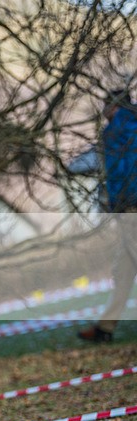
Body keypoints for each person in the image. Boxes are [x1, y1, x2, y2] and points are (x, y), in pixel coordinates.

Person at [78, 88, 137, 342]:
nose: (103, 111)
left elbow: (113, 172)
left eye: (106, 106)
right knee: (123, 268)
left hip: (130, 207)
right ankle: (105, 328)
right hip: (129, 207)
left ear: (113, 106)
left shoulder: (114, 131)